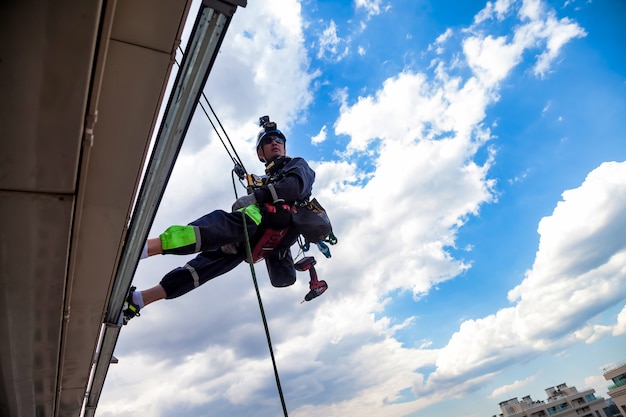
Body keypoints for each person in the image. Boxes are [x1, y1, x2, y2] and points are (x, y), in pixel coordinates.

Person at [122, 116, 319, 324]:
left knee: (212, 227)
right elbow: (269, 189)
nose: (275, 143)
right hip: (257, 238)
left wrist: (256, 197)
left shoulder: (297, 165)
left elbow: (294, 188)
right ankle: (139, 300)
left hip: (262, 223)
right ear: (261, 153)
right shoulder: (267, 179)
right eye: (268, 141)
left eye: (278, 141)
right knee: (204, 267)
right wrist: (252, 185)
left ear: (285, 148)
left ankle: (138, 248)